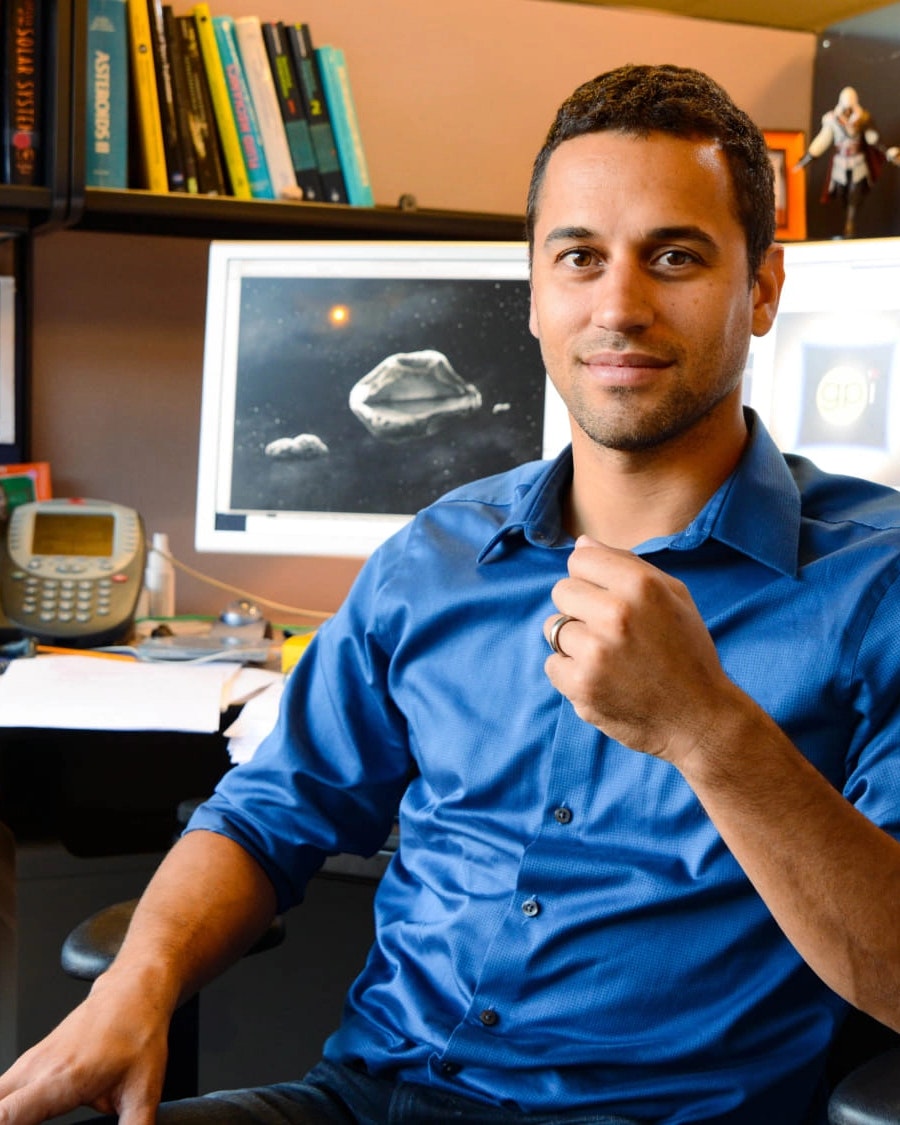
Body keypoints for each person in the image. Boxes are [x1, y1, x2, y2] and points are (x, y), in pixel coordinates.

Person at [3, 62, 900, 1125]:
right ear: (534, 294)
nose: (618, 304)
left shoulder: (873, 582)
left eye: (675, 256)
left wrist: (707, 732)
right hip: (370, 1101)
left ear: (761, 289)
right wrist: (135, 987)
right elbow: (272, 810)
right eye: (579, 257)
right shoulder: (436, 556)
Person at [794, 85, 888, 238]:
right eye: (846, 107)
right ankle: (845, 226)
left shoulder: (863, 118)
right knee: (841, 194)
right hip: (840, 163)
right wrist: (807, 158)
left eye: (850, 107)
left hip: (858, 162)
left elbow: (872, 138)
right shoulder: (832, 119)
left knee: (854, 194)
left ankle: (849, 227)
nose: (848, 111)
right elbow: (823, 140)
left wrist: (885, 150)